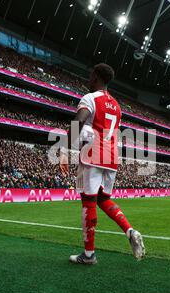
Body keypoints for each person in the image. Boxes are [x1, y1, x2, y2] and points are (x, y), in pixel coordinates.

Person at [59, 63, 146, 265]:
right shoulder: (116, 105)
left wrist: (64, 150)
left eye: (90, 77)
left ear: (96, 77)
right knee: (103, 199)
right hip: (112, 157)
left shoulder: (90, 98)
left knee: (88, 201)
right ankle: (130, 231)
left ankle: (89, 255)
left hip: (92, 154)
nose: (88, 80)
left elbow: (78, 121)